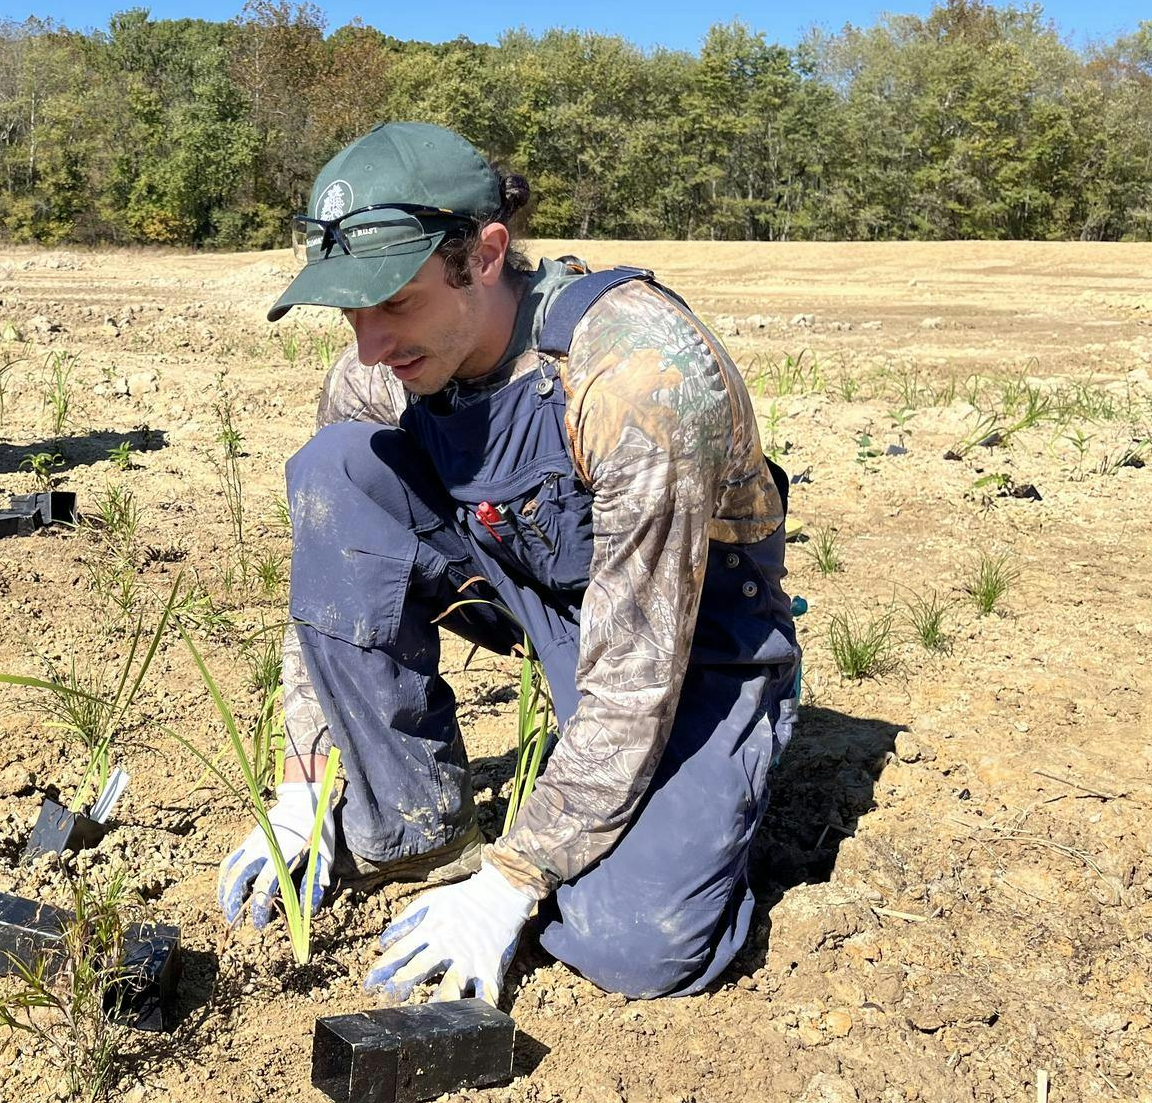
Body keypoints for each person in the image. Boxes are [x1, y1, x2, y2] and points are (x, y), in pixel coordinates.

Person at [216, 121, 800, 1004]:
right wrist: (304, 783)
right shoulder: (378, 373)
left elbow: (638, 676)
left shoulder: (636, 377)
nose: (371, 343)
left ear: (486, 255)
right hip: (525, 584)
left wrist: (514, 876)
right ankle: (417, 833)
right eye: (351, 312)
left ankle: (730, 773)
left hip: (688, 634)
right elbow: (331, 581)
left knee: (638, 946)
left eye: (396, 302)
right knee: (336, 467)